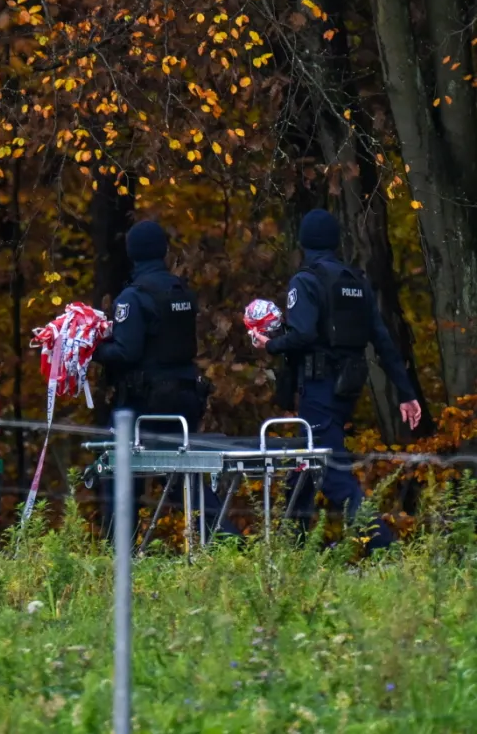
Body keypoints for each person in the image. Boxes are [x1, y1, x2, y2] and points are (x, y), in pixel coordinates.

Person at [250, 208, 421, 550]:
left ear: (303, 241)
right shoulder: (356, 281)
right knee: (303, 462)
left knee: (329, 471)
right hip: (347, 388)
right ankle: (293, 546)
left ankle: (383, 548)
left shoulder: (306, 280)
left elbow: (301, 335)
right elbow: (383, 341)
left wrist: (270, 344)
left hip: (319, 387)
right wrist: (406, 393)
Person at [94, 220, 238, 539]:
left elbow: (126, 352)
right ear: (162, 250)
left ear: (132, 253)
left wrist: (93, 349)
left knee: (121, 473)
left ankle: (121, 551)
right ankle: (227, 539)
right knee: (180, 478)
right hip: (185, 398)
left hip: (146, 404)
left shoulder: (133, 297)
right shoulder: (179, 291)